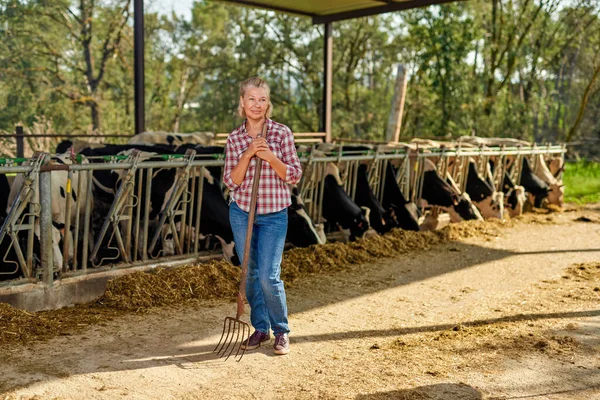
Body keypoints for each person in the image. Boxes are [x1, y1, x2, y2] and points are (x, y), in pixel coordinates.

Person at [223, 77, 302, 355]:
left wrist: (269, 157)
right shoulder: (234, 138)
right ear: (242, 103)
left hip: (273, 214)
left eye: (262, 99)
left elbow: (293, 175)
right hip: (242, 212)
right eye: (251, 99)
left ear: (268, 104)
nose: (257, 105)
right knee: (251, 273)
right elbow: (231, 182)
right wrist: (247, 155)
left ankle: (281, 330)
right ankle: (260, 328)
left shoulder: (281, 133)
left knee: (269, 276)